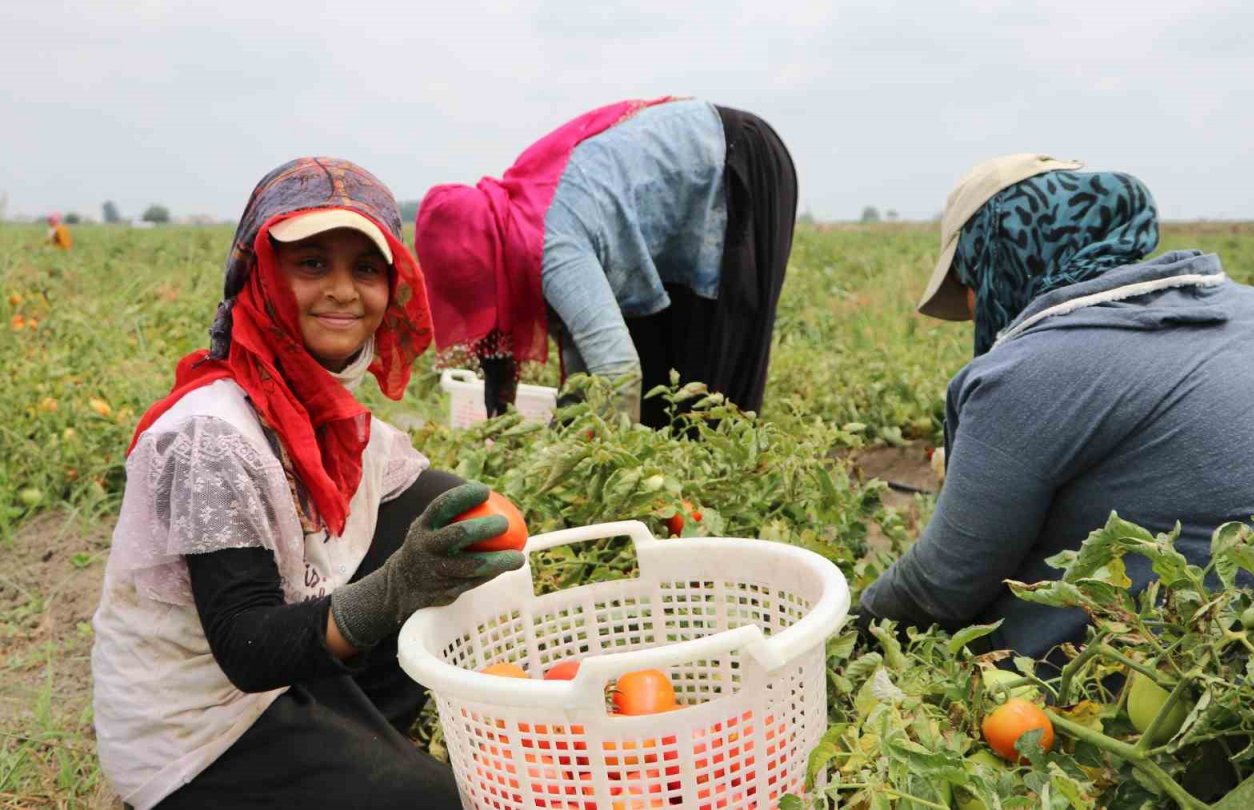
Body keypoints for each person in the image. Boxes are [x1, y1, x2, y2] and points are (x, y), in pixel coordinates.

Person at [90, 157, 525, 809]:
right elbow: (245, 649)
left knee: (437, 511)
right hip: (197, 728)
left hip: (279, 678)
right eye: (313, 263)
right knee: (446, 802)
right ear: (261, 276)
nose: (344, 291)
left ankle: (358, 739)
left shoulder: (334, 419)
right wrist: (396, 590)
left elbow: (436, 502)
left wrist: (535, 560)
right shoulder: (212, 437)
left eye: (365, 268)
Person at [858, 153, 1254, 661]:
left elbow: (943, 583)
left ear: (1004, 260)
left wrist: (843, 633)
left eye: (970, 279)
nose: (972, 305)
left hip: (1184, 679)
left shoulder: (1027, 372)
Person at [415, 97, 798, 427]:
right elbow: (584, 358)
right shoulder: (519, 220)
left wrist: (608, 474)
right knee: (660, 390)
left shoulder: (551, 243)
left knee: (712, 385)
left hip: (736, 159)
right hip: (693, 176)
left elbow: (617, 370)